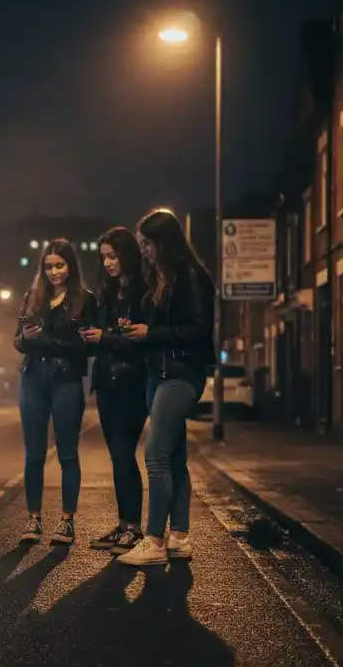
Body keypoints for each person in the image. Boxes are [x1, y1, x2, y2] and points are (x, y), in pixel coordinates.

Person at [116, 208, 215, 566]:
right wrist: (135, 329)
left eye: (147, 243)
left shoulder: (191, 276)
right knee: (174, 457)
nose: (143, 250)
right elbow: (156, 328)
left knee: (155, 454)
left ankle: (155, 540)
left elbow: (199, 328)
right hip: (155, 374)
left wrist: (150, 333)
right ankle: (181, 537)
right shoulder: (157, 278)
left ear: (164, 241)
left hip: (180, 373)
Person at [14, 239, 97, 545]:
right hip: (33, 378)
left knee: (67, 453)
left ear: (70, 266)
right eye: (48, 266)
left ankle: (67, 520)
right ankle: (33, 519)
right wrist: (25, 337)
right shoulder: (32, 296)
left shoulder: (85, 300)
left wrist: (45, 341)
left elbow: (84, 346)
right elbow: (18, 342)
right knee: (33, 454)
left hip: (67, 379)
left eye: (59, 265)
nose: (53, 272)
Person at [80, 227, 149, 552]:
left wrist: (104, 338)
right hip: (107, 381)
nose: (107, 263)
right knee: (117, 456)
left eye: (112, 256)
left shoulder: (143, 292)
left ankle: (134, 527)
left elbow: (139, 341)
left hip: (132, 383)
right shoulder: (109, 293)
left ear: (127, 254)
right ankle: (124, 524)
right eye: (103, 257)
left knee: (124, 453)